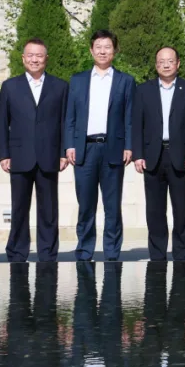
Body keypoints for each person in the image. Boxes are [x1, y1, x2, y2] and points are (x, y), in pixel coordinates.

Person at [64, 29, 135, 262]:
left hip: (113, 149)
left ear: (115, 50)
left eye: (107, 47)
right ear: (91, 50)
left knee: (112, 205)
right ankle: (85, 250)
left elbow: (129, 117)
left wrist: (129, 146)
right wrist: (69, 145)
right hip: (84, 149)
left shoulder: (126, 81)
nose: (103, 51)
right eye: (98, 47)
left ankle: (112, 252)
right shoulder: (78, 80)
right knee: (86, 204)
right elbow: (70, 117)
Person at [0, 38, 69, 262]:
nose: (34, 59)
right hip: (19, 155)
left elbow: (65, 122)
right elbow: (1, 123)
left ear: (46, 58)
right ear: (23, 58)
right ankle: (17, 252)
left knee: (49, 209)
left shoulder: (60, 86)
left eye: (39, 55)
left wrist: (63, 152)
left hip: (50, 155)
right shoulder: (10, 86)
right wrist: (4, 154)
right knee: (19, 207)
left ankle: (48, 253)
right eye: (30, 55)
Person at [132, 46, 185, 262]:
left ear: (178, 63)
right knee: (154, 210)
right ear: (156, 65)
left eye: (170, 61)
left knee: (181, 208)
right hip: (152, 156)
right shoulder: (143, 90)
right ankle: (157, 255)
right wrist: (138, 155)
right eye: (161, 61)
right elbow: (137, 125)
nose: (166, 65)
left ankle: (181, 253)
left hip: (180, 156)